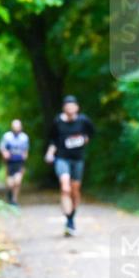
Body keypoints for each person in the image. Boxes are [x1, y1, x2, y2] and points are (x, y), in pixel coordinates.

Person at [44, 95, 95, 236]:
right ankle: (68, 219)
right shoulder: (58, 122)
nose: (70, 109)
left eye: (72, 106)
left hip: (78, 159)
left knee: (75, 190)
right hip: (62, 158)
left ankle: (72, 217)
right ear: (64, 108)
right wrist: (50, 152)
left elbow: (91, 133)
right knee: (65, 187)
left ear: (77, 108)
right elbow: (53, 139)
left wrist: (85, 138)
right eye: (67, 106)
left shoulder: (83, 121)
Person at [0, 119, 29, 206]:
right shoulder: (7, 136)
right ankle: (10, 195)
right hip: (10, 162)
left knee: (18, 182)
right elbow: (2, 147)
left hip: (19, 162)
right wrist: (5, 153)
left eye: (18, 126)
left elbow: (26, 148)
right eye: (15, 127)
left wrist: (25, 155)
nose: (16, 128)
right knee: (10, 184)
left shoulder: (24, 137)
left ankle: (14, 200)